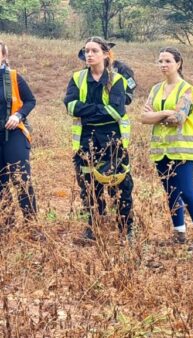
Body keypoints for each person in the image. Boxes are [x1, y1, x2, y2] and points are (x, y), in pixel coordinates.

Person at [64, 36, 134, 243]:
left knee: (120, 187)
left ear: (105, 54)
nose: (89, 55)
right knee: (88, 187)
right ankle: (91, 229)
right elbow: (70, 106)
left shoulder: (117, 80)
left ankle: (126, 229)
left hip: (112, 141)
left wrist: (85, 111)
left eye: (94, 51)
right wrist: (98, 111)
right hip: (85, 141)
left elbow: (115, 111)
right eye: (87, 51)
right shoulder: (77, 78)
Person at [141, 47, 193, 250]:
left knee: (187, 192)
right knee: (170, 192)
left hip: (182, 148)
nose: (163, 65)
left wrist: (159, 115)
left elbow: (178, 118)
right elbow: (143, 117)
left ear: (178, 63)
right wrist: (167, 111)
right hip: (161, 149)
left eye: (167, 61)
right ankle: (179, 232)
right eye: (160, 61)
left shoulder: (186, 88)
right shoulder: (155, 89)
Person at [0, 41, 37, 231]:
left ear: (3, 56)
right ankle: (6, 223)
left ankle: (32, 224)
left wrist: (18, 115)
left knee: (21, 177)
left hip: (14, 134)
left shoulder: (13, 77)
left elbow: (31, 100)